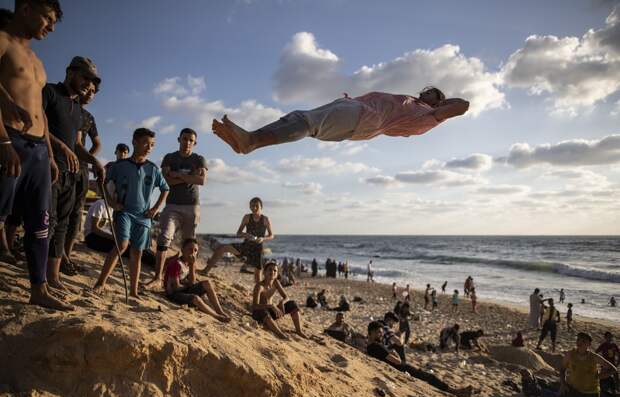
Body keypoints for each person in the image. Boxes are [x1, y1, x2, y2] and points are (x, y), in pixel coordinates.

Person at [0, 0, 71, 310]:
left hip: (39, 150)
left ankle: (39, 289)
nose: (51, 27)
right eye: (48, 18)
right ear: (26, 8)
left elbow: (38, 107)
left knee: (40, 221)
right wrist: (3, 143)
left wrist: (51, 154)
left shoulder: (37, 60)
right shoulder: (2, 41)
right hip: (9, 138)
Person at [212, 88, 469, 154]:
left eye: (431, 94)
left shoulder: (429, 117)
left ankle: (251, 142)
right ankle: (249, 140)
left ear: (438, 102)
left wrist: (441, 105)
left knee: (306, 122)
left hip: (362, 117)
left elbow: (463, 106)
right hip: (357, 111)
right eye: (425, 91)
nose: (424, 93)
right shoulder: (414, 105)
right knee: (300, 119)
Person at [44, 56, 105, 291]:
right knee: (45, 222)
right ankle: (38, 277)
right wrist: (58, 149)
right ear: (70, 72)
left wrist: (94, 161)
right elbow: (38, 125)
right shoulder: (49, 92)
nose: (88, 84)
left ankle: (54, 278)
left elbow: (78, 145)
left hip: (71, 172)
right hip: (49, 167)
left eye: (92, 81)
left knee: (62, 225)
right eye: (85, 77)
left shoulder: (79, 109)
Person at [93, 128, 169, 298]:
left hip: (144, 217)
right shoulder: (120, 166)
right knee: (121, 245)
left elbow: (165, 189)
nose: (149, 147)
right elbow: (103, 183)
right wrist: (112, 203)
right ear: (134, 142)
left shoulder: (153, 168)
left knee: (137, 252)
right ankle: (100, 283)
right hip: (125, 212)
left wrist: (155, 208)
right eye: (145, 143)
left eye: (152, 145)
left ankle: (134, 292)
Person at [149, 128, 207, 287]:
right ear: (179, 139)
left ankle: (191, 278)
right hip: (172, 205)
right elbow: (166, 181)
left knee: (190, 245)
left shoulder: (199, 159)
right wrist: (190, 178)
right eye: (184, 139)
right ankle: (157, 278)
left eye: (191, 140)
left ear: (195, 143)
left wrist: (178, 175)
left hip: (192, 206)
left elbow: (201, 180)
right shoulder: (169, 158)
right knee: (164, 237)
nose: (187, 142)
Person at [366, 321, 473, 397]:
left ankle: (454, 390)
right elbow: (397, 362)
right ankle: (455, 392)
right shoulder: (377, 346)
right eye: (378, 332)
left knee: (426, 375)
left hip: (399, 367)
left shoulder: (370, 346)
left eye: (381, 332)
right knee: (430, 377)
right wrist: (395, 354)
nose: (381, 335)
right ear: (371, 332)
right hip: (401, 368)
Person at [61, 79, 102, 277]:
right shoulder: (67, 105)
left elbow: (96, 143)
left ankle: (66, 257)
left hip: (81, 166)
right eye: (88, 90)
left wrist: (88, 157)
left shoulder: (89, 117)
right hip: (61, 162)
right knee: (60, 212)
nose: (89, 94)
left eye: (94, 92)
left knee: (76, 213)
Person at [200, 197, 273, 283]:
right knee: (222, 248)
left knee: (257, 275)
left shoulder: (265, 219)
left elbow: (271, 235)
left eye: (256, 206)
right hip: (245, 246)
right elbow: (238, 232)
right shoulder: (247, 217)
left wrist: (263, 238)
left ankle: (260, 293)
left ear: (261, 207)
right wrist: (245, 234)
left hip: (257, 249)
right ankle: (206, 270)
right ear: (250, 207)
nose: (254, 208)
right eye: (252, 206)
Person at [163, 238, 230, 322]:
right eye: (190, 249)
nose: (192, 253)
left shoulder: (190, 263)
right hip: (173, 294)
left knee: (207, 283)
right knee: (195, 298)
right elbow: (176, 287)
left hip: (183, 289)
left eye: (195, 251)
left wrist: (191, 265)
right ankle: (216, 316)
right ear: (182, 250)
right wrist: (188, 285)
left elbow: (192, 282)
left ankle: (220, 311)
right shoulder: (176, 264)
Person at [83, 195, 156, 266]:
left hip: (105, 237)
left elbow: (113, 229)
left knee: (136, 244)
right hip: (92, 238)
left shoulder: (113, 209)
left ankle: (156, 260)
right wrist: (114, 238)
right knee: (128, 249)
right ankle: (154, 262)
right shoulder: (101, 203)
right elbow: (94, 229)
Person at [556, 332, 618, 397]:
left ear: (589, 344)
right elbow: (562, 369)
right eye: (578, 340)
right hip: (572, 389)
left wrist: (599, 376)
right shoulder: (570, 354)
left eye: (583, 341)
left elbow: (613, 369)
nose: (579, 342)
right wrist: (563, 384)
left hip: (590, 393)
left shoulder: (594, 357)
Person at [251, 261, 306, 339]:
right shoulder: (259, 286)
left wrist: (282, 302)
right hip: (260, 313)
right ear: (264, 272)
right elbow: (254, 306)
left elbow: (286, 297)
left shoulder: (276, 282)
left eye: (275, 271)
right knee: (263, 311)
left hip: (271, 312)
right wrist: (271, 306)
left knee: (292, 304)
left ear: (277, 274)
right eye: (270, 269)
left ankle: (299, 331)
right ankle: (280, 334)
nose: (272, 272)